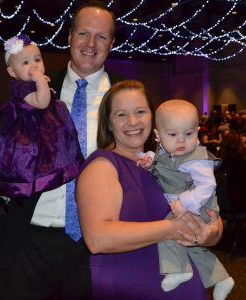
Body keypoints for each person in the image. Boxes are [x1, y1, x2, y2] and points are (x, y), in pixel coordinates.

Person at [0, 2, 120, 299]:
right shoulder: (32, 87)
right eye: (83, 33)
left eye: (101, 36)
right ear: (69, 36)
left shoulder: (126, 98)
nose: (90, 44)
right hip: (28, 238)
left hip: (95, 245)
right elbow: (1, 146)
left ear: (111, 43)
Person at [76, 80, 224, 300]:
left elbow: (209, 216)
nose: (133, 121)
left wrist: (211, 234)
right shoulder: (103, 165)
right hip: (133, 287)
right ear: (108, 123)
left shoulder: (165, 161)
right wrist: (172, 228)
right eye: (121, 114)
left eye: (140, 111)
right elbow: (98, 239)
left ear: (152, 118)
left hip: (185, 288)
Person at [138, 100, 234, 300]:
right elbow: (161, 161)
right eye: (173, 135)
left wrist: (185, 202)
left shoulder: (196, 158)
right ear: (158, 136)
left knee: (168, 231)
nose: (181, 141)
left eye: (189, 134)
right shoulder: (166, 151)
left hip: (198, 206)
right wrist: (148, 159)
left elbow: (208, 185)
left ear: (197, 131)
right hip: (190, 207)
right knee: (191, 245)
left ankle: (179, 269)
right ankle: (222, 279)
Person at [0, 34, 83, 198]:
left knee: (56, 148)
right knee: (29, 156)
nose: (34, 66)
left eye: (37, 59)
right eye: (26, 62)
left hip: (43, 123)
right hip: (25, 127)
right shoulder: (20, 86)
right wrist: (41, 82)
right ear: (12, 72)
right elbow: (42, 102)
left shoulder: (33, 82)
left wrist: (42, 84)